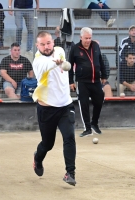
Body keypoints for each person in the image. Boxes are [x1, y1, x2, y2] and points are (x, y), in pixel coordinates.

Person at [32, 31, 76, 186]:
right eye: (42, 44)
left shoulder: (60, 50)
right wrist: (56, 62)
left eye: (48, 43)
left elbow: (61, 59)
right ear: (37, 46)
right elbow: (47, 65)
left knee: (69, 137)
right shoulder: (37, 62)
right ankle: (38, 158)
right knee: (48, 144)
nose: (46, 46)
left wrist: (61, 62)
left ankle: (70, 173)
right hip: (47, 109)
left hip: (65, 106)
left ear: (53, 42)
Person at [69, 27, 107, 137]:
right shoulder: (75, 48)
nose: (88, 40)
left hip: (96, 81)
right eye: (86, 38)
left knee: (99, 101)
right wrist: (71, 81)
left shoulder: (95, 46)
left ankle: (94, 123)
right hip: (82, 82)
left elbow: (100, 60)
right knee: (84, 104)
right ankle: (87, 128)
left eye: (90, 38)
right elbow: (70, 66)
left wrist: (104, 75)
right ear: (81, 37)